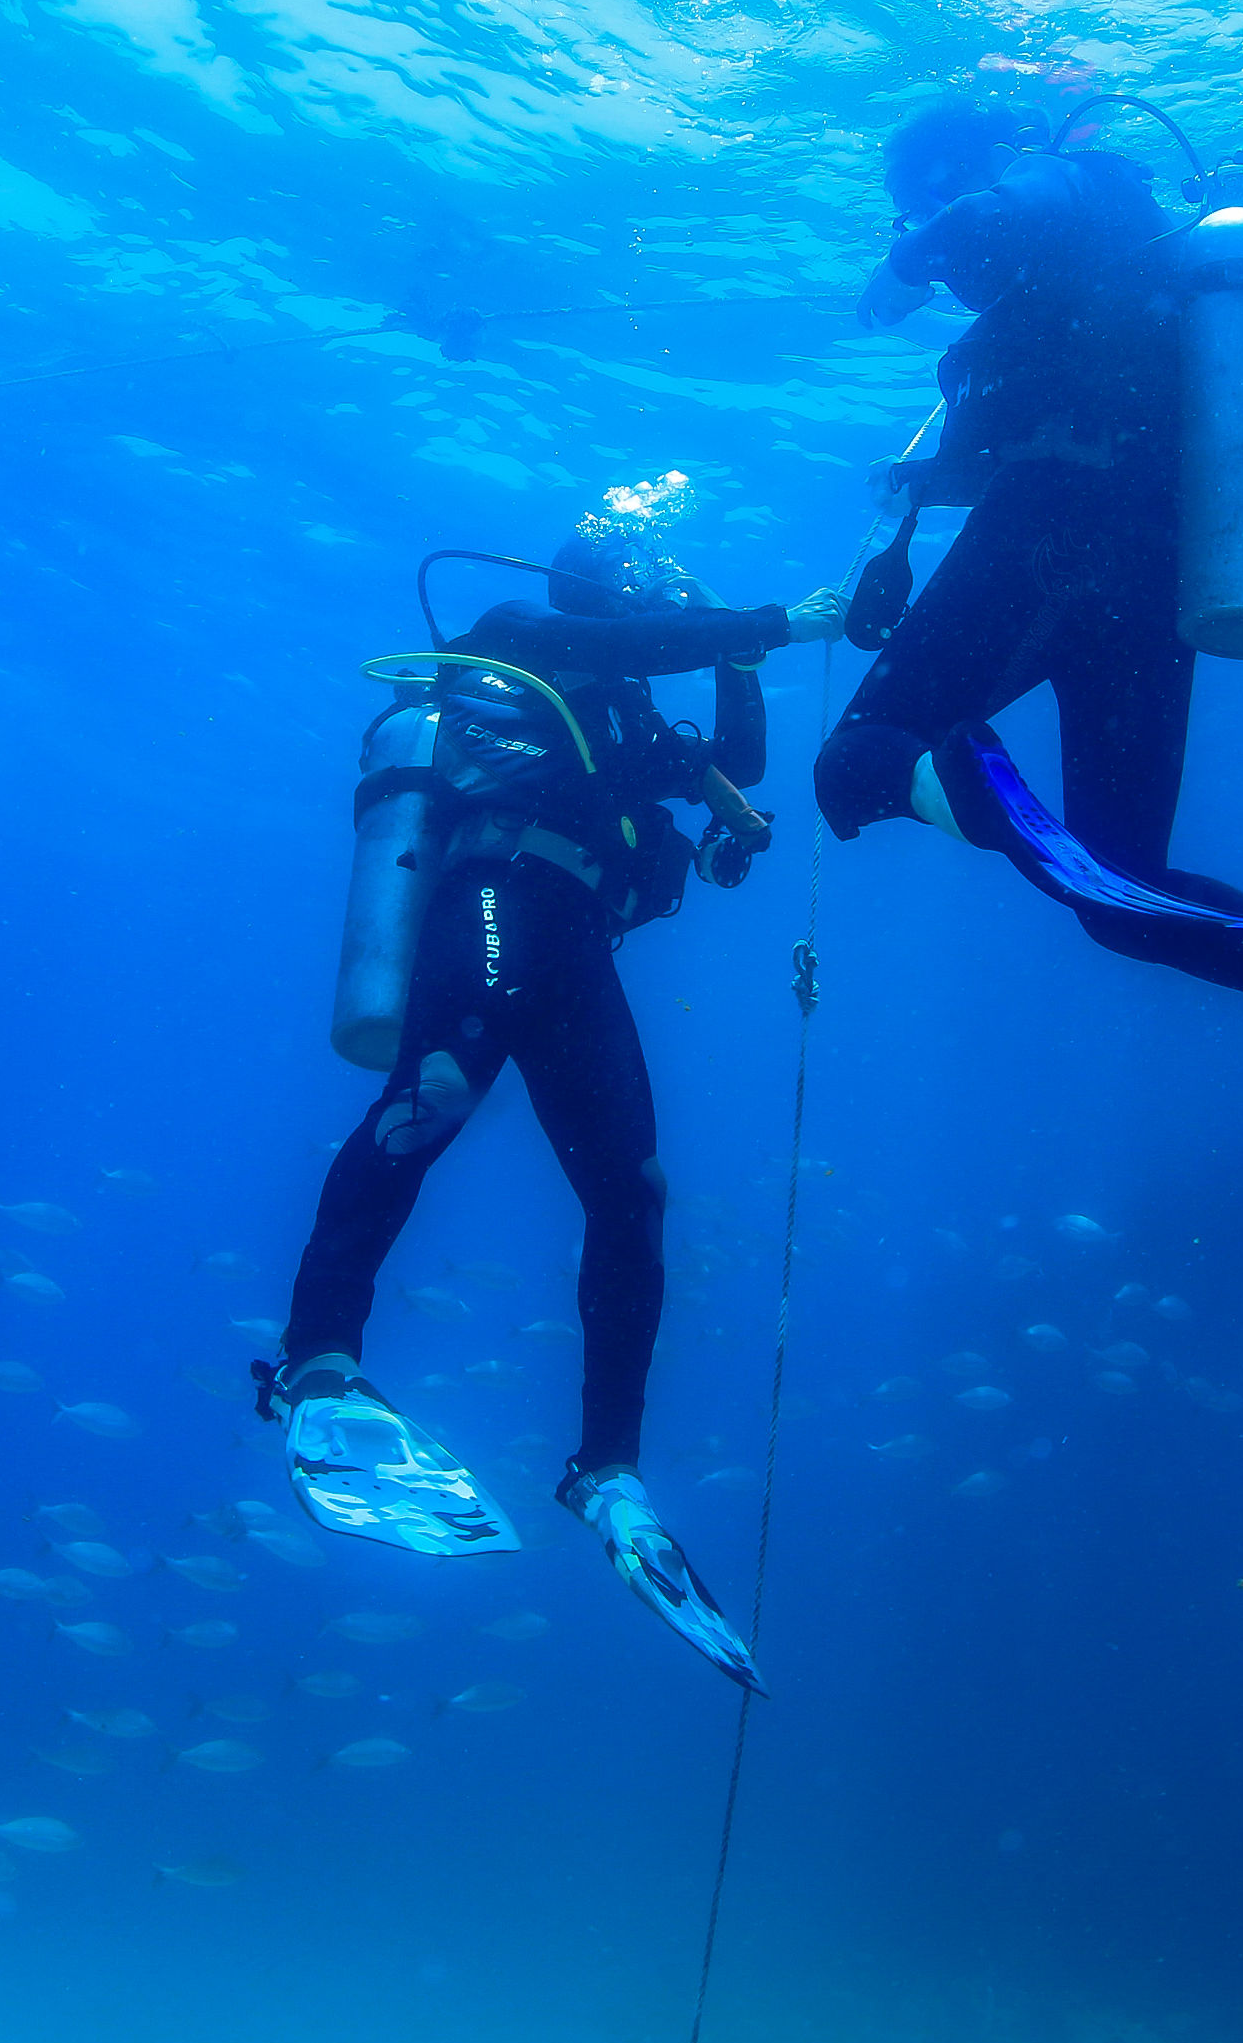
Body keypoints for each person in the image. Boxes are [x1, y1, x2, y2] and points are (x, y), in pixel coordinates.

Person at [816, 67, 1243, 1411]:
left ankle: (957, 772)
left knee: (854, 766)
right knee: (1116, 890)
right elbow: (1032, 396)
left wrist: (906, 261)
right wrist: (908, 510)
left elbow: (1016, 212)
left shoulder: (1072, 182)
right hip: (1157, 572)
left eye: (923, 190)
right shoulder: (1128, 259)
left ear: (968, 162)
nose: (930, 227)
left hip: (1055, 534)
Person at [257, 497, 845, 1688]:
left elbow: (734, 768)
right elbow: (630, 644)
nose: (656, 601)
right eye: (644, 583)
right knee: (428, 1102)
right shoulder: (521, 629)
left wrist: (737, 659)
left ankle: (607, 1466)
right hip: (496, 896)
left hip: (576, 941)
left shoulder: (625, 716)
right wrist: (772, 620)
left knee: (634, 1192)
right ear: (602, 587)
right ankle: (320, 1358)